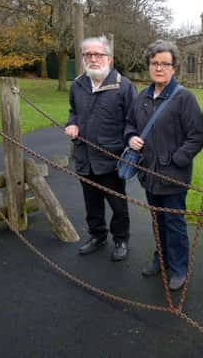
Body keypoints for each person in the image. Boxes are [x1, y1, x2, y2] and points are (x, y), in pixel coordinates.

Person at [124, 40, 203, 291]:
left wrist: (177, 160)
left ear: (174, 68)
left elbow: (197, 136)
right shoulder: (142, 97)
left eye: (165, 64)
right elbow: (129, 124)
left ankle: (179, 268)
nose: (159, 68)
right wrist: (131, 137)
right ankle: (161, 259)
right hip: (148, 174)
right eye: (154, 63)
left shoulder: (184, 98)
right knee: (156, 220)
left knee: (174, 223)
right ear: (149, 66)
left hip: (173, 176)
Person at [65, 35, 137, 261]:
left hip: (111, 159)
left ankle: (121, 239)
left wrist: (127, 145)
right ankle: (97, 235)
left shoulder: (123, 86)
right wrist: (72, 124)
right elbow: (73, 112)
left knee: (117, 204)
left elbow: (132, 121)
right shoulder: (78, 85)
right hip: (85, 157)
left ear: (109, 57)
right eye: (88, 55)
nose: (93, 59)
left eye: (98, 54)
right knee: (91, 202)